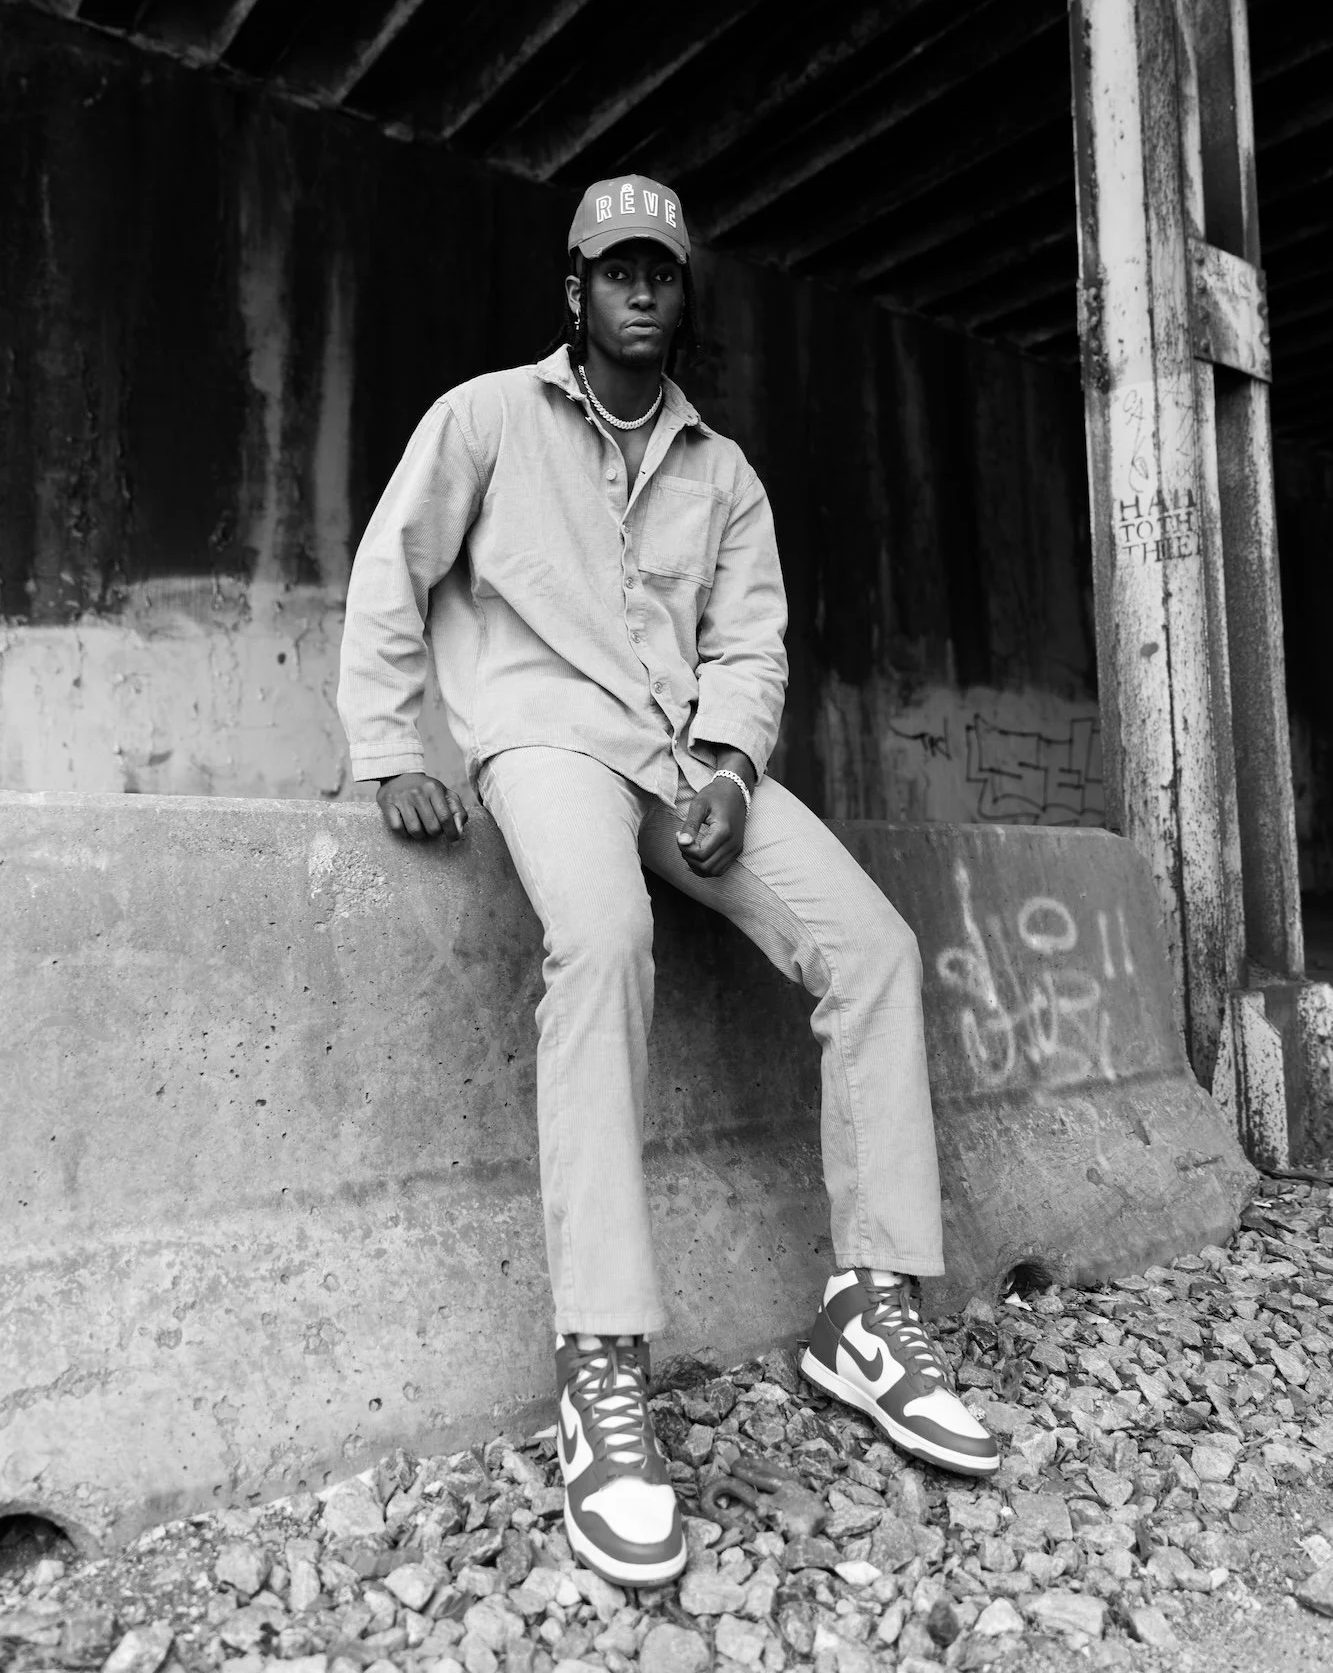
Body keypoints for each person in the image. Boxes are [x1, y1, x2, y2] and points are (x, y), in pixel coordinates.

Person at [337, 174, 997, 1589]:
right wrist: (388, 746)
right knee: (607, 937)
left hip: (683, 759)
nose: (641, 290)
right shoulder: (486, 419)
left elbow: (753, 648)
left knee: (873, 948)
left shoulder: (727, 474)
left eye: (663, 272)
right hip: (542, 739)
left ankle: (869, 1312)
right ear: (572, 290)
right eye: (615, 268)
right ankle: (602, 1367)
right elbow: (394, 569)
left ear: (684, 296)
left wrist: (732, 771)